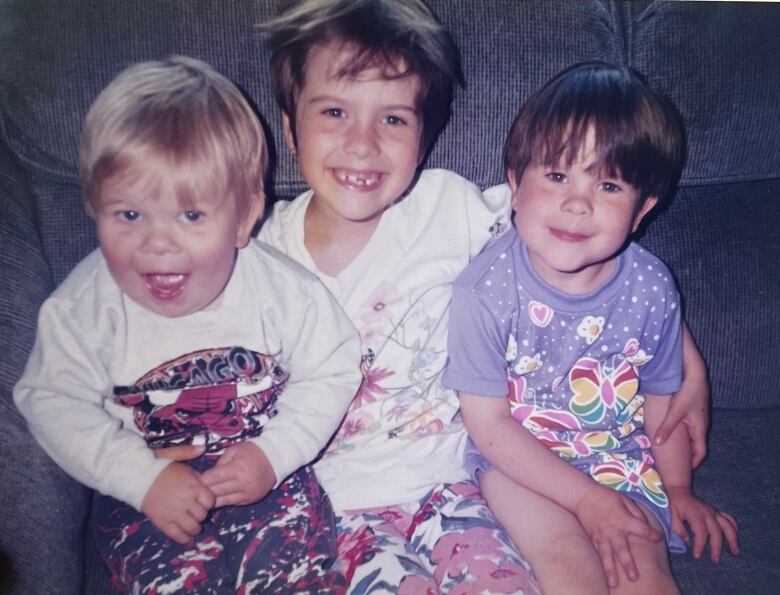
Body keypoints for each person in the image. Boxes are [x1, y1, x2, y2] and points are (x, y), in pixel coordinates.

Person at [256, 2, 711, 592]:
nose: (362, 143)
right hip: (333, 504)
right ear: (289, 129)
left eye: (392, 119)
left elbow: (587, 250)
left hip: (453, 485)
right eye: (335, 111)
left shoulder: (453, 209)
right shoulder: (254, 257)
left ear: (424, 137)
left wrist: (686, 359)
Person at [13, 55, 362, 593]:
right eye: (129, 215)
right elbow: (48, 398)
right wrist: (139, 478)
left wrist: (275, 454)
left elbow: (334, 367)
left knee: (294, 576)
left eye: (191, 216)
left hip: (267, 475)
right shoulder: (85, 310)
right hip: (147, 487)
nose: (157, 243)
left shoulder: (282, 291)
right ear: (93, 205)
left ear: (245, 217)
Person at [442, 62, 740, 595]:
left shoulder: (651, 288)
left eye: (607, 184)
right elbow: (487, 426)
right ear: (514, 182)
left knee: (643, 574)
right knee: (567, 566)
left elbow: (663, 400)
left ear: (643, 207)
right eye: (557, 175)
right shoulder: (482, 291)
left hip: (619, 458)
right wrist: (584, 500)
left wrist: (677, 489)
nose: (577, 203)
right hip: (519, 460)